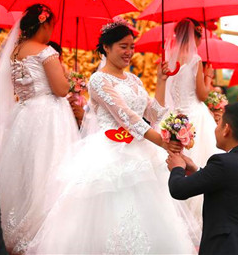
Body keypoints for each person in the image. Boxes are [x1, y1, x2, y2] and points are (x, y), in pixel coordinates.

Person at [27, 20, 199, 254]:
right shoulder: (98, 80)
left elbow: (154, 113)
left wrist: (161, 81)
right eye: (123, 46)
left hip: (140, 150)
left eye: (131, 47)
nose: (129, 52)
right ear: (106, 48)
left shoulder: (135, 80)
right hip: (110, 151)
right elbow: (125, 116)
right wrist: (162, 141)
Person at [0, 4, 80, 254]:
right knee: (51, 170)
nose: (52, 31)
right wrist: (70, 79)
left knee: (26, 173)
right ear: (44, 24)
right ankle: (44, 231)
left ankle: (18, 230)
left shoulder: (13, 52)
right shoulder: (46, 53)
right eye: (51, 26)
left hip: (23, 116)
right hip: (49, 117)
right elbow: (61, 89)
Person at [167, 102, 238, 255]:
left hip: (231, 248)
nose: (215, 128)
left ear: (226, 129)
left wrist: (177, 167)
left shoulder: (223, 163)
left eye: (218, 123)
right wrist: (196, 170)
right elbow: (231, 185)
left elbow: (178, 189)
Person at [165, 18, 219, 168]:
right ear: (195, 36)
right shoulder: (195, 60)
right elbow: (202, 95)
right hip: (195, 115)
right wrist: (208, 76)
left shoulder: (168, 60)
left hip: (174, 115)